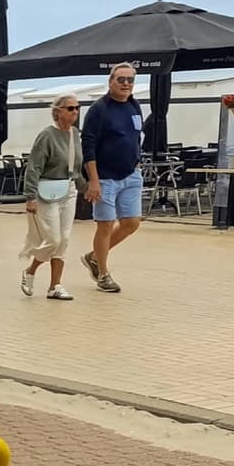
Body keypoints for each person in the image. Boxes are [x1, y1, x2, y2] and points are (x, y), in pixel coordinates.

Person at [81, 63, 144, 294]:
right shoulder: (99, 109)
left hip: (131, 174)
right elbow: (88, 145)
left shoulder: (134, 106)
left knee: (131, 222)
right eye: (121, 80)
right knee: (105, 224)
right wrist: (93, 180)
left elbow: (136, 137)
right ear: (111, 82)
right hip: (105, 177)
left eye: (130, 80)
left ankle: (94, 257)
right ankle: (103, 274)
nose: (126, 84)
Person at [19, 96, 84, 301]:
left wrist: (86, 188)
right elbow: (34, 167)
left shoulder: (75, 134)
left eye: (77, 108)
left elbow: (75, 168)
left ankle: (55, 285)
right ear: (58, 112)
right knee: (53, 239)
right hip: (46, 191)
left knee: (63, 240)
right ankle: (31, 270)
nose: (75, 111)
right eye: (70, 108)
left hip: (69, 189)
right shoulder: (47, 136)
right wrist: (30, 196)